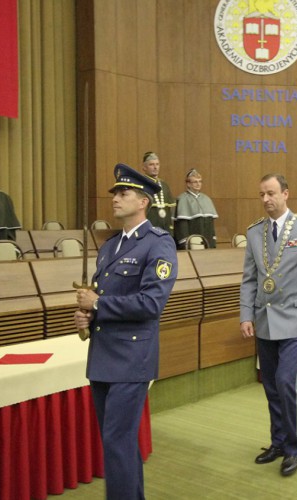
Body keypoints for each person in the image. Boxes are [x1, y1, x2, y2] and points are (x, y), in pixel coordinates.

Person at [74, 162, 177, 500]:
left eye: (124, 192)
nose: (115, 198)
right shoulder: (110, 246)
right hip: (103, 355)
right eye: (115, 193)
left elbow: (151, 303)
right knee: (118, 442)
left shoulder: (158, 244)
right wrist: (86, 318)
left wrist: (98, 304)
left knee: (117, 441)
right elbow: (102, 300)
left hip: (132, 357)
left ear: (143, 201)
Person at [239, 173, 297, 477]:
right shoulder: (254, 232)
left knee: (286, 382)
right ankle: (277, 442)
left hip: (295, 318)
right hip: (264, 319)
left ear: (286, 194)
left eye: (271, 193)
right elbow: (249, 279)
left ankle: (292, 448)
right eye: (262, 194)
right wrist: (246, 315)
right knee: (270, 385)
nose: (266, 199)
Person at [173, 168, 219, 249]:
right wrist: (185, 243)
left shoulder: (206, 199)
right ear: (188, 184)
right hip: (192, 243)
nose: (198, 184)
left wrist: (213, 240)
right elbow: (182, 226)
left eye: (200, 181)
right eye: (195, 182)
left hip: (208, 241)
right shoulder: (182, 199)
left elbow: (211, 224)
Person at [140, 151, 175, 233]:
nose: (155, 167)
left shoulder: (164, 185)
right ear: (144, 168)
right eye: (151, 164)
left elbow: (169, 211)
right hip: (148, 231)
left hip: (165, 230)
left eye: (157, 164)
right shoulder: (141, 185)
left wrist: (171, 229)